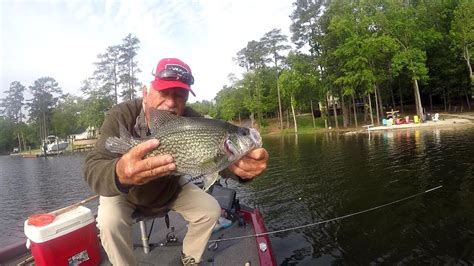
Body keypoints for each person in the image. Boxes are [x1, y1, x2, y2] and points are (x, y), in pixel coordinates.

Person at [84, 58, 269, 266]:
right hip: (126, 193)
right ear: (145, 93)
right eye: (164, 93)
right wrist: (120, 173)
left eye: (180, 95)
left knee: (209, 210)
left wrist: (243, 171)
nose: (171, 103)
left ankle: (189, 260)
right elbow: (93, 167)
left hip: (169, 188)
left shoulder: (192, 120)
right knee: (109, 222)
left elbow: (218, 162)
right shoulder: (121, 115)